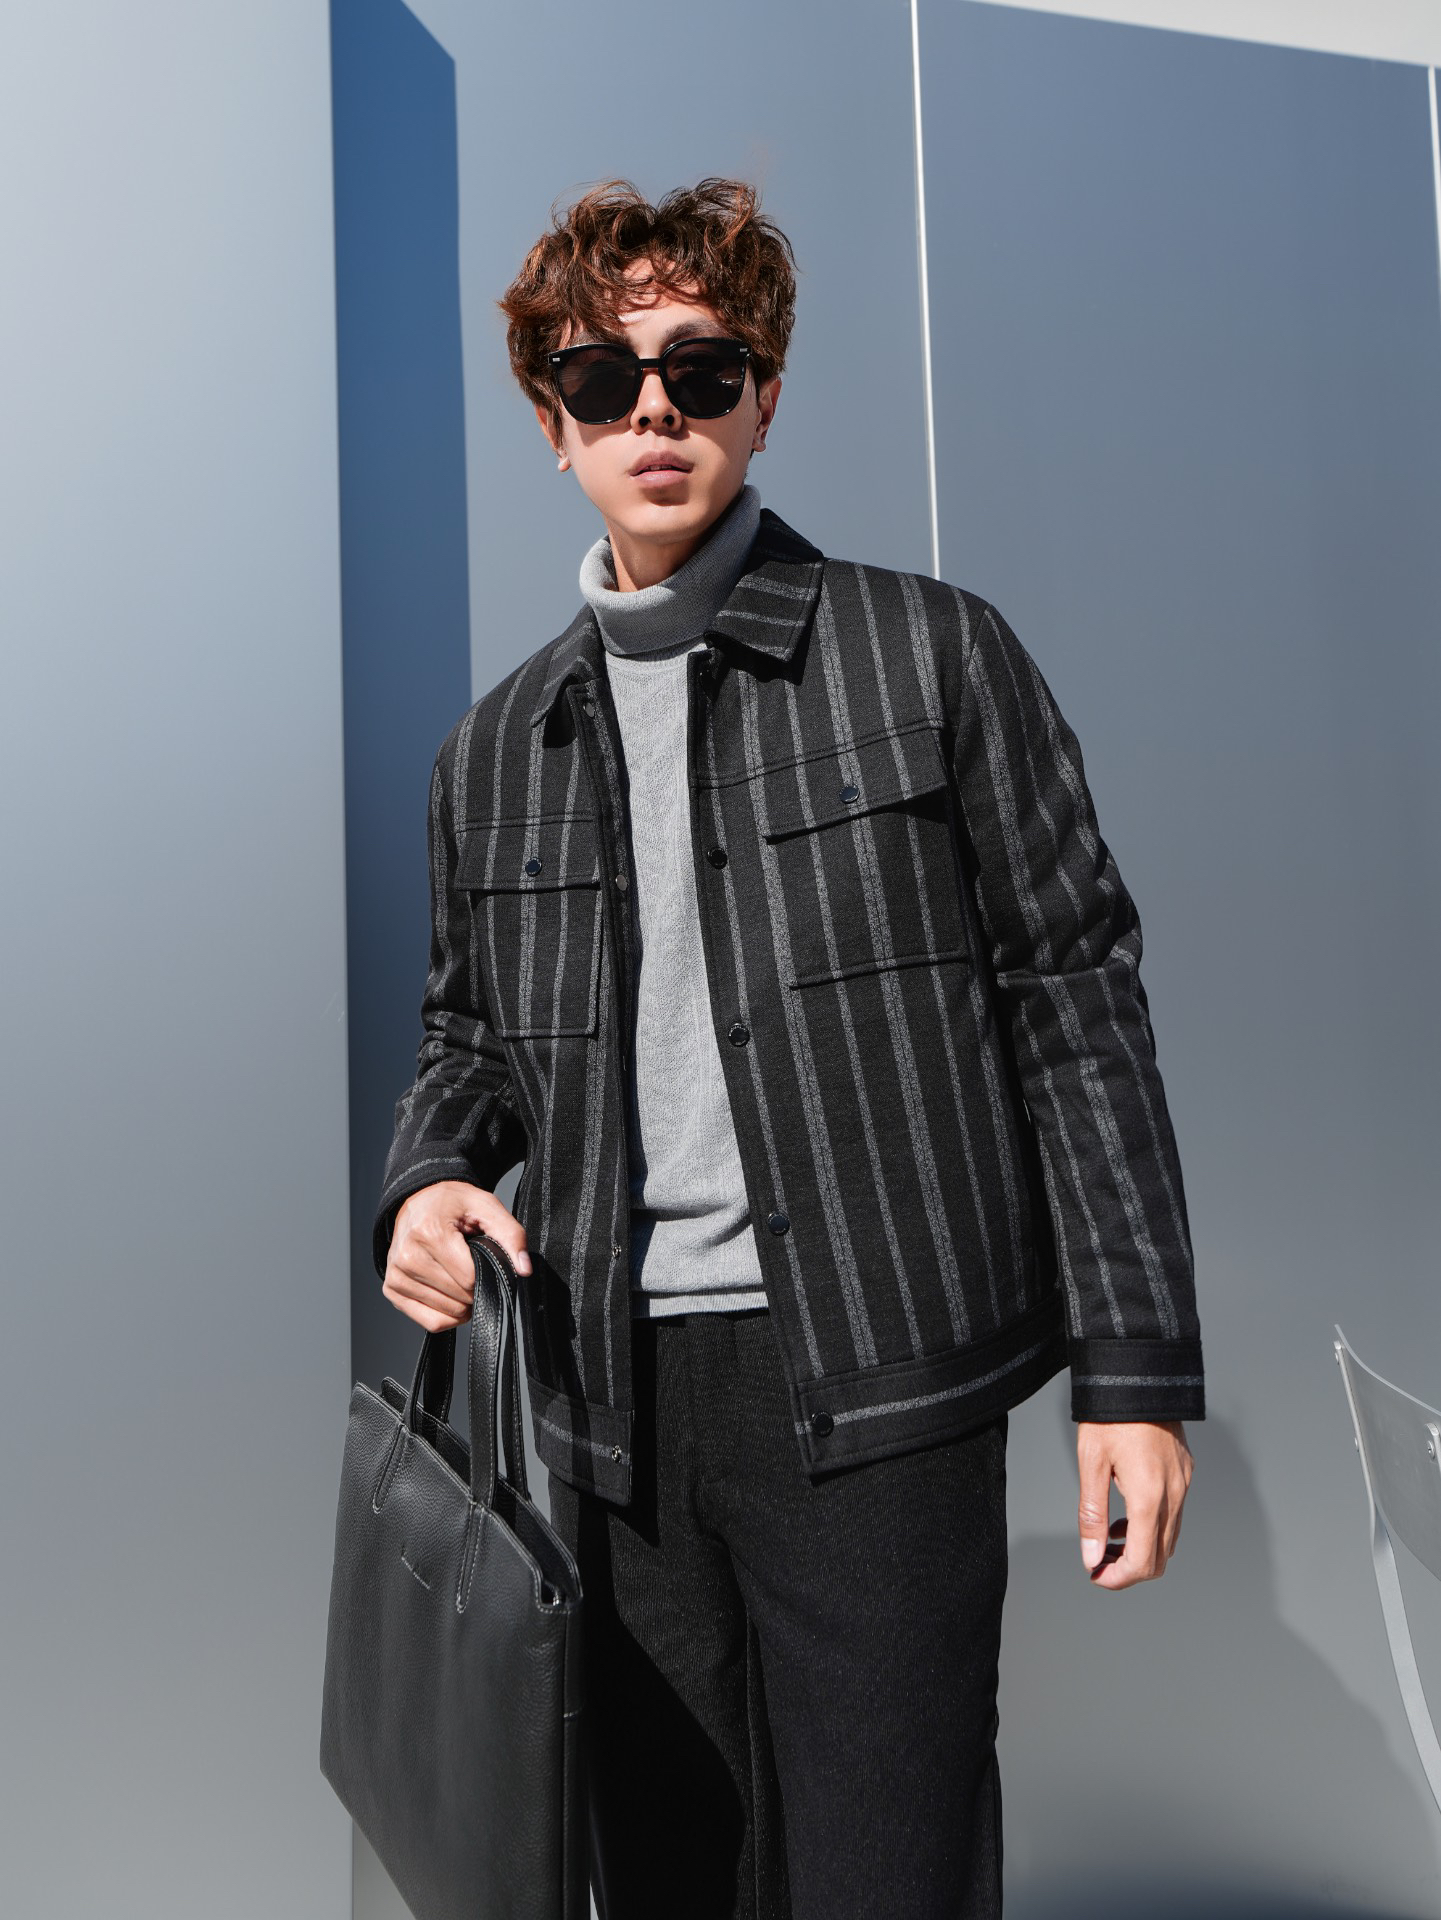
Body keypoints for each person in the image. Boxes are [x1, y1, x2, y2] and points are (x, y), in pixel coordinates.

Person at [372, 175, 1202, 1920]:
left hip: (879, 1387)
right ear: (552, 425)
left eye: (701, 368)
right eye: (600, 379)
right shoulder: (493, 752)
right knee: (665, 1877)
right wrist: (431, 1177)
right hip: (610, 1408)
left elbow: (1073, 997)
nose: (653, 410)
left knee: (883, 1878)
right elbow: (468, 1034)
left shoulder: (931, 656)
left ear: (763, 398)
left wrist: (1131, 1378)